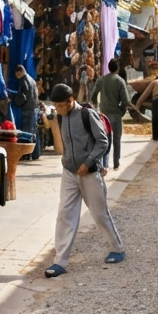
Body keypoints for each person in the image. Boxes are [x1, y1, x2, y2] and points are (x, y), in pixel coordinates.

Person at [44, 84, 125, 278]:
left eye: (60, 106)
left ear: (71, 100)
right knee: (65, 214)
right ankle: (60, 261)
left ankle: (117, 248)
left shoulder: (87, 115)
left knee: (99, 213)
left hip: (89, 173)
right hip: (69, 173)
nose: (58, 110)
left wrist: (90, 162)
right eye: (55, 106)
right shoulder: (61, 117)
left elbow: (103, 141)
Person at [93, 59, 131, 170]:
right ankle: (116, 162)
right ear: (117, 69)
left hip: (103, 114)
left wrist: (96, 109)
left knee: (104, 139)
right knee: (116, 140)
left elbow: (93, 96)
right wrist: (122, 111)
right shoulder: (120, 81)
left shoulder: (101, 80)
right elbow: (125, 101)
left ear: (108, 68)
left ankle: (104, 164)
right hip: (116, 114)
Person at [10, 62, 42, 161]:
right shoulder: (31, 79)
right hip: (34, 108)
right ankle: (36, 154)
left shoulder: (24, 81)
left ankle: (27, 154)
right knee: (33, 132)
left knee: (27, 133)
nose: (16, 76)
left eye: (16, 74)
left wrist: (14, 99)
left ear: (20, 72)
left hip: (28, 109)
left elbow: (22, 97)